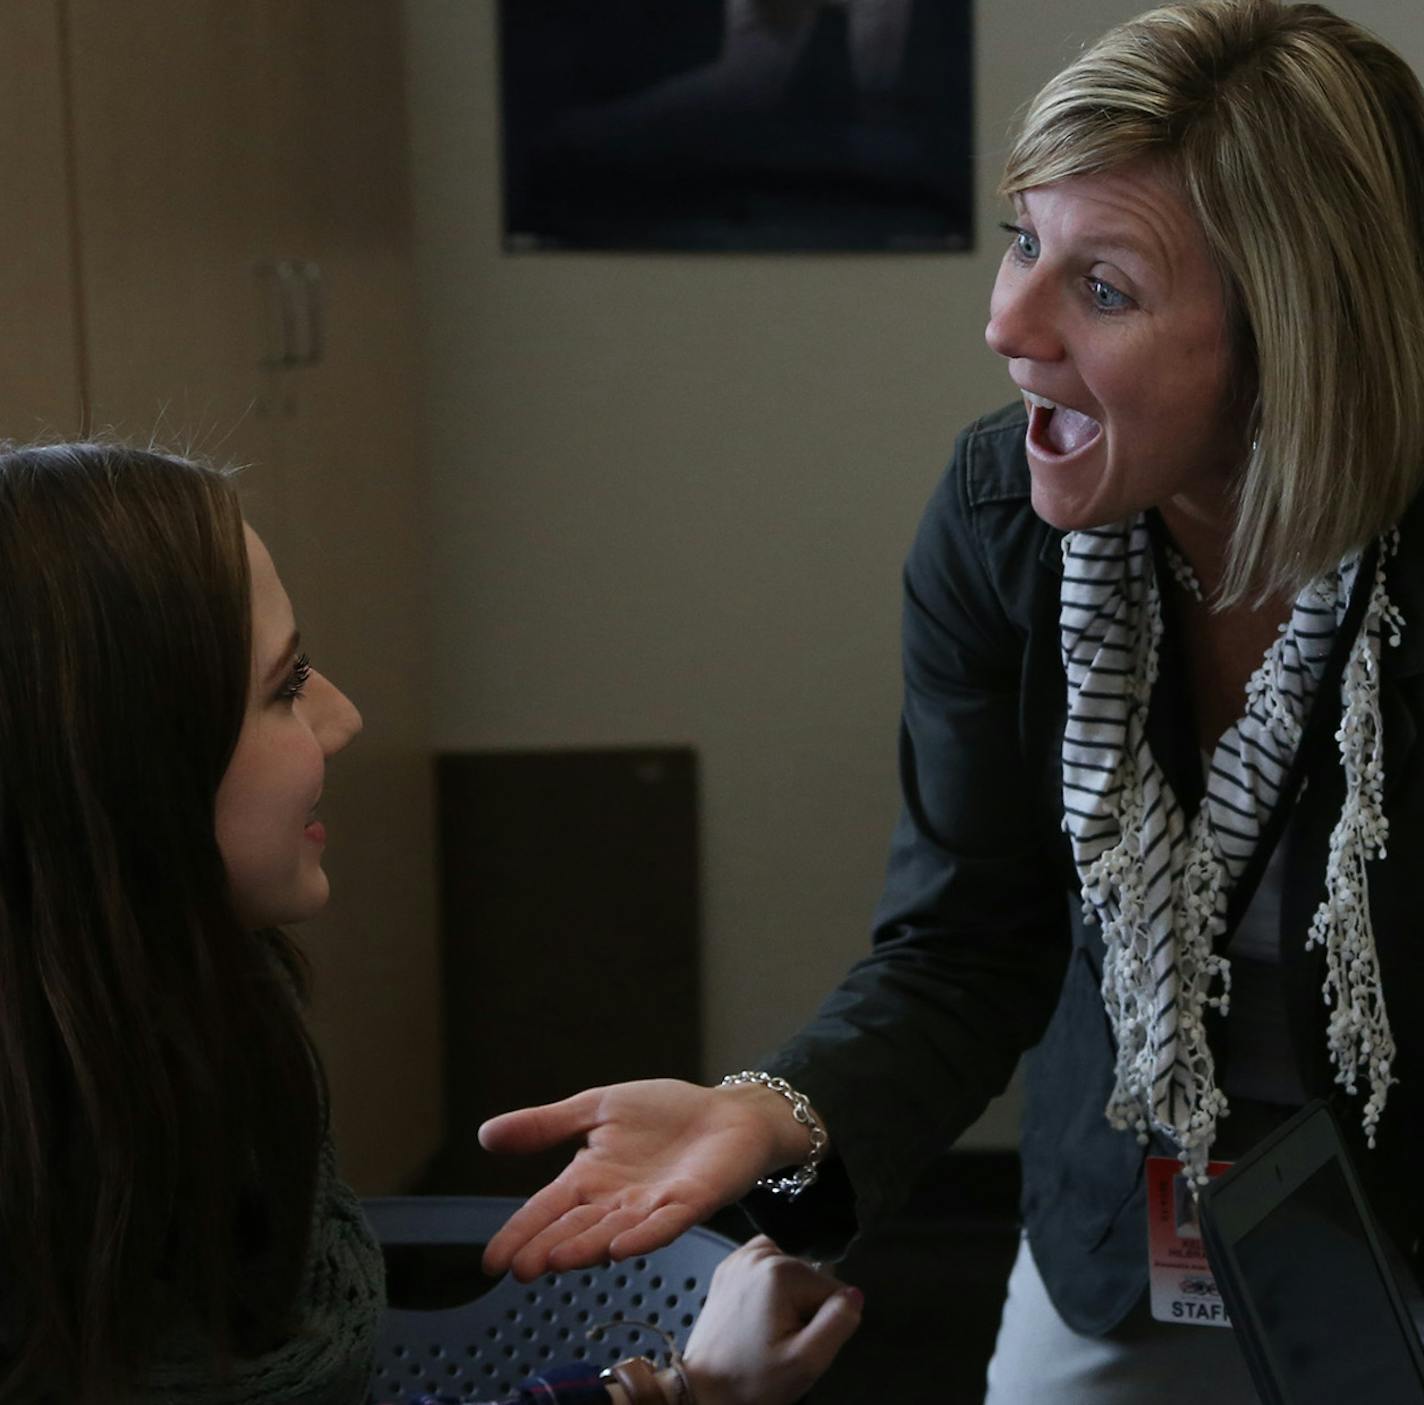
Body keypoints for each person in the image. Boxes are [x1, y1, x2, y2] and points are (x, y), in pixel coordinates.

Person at [475, 1, 1424, 1398]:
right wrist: (775, 1113)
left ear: (1297, 336)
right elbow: (967, 944)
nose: (1005, 322)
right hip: (1124, 1216)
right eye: (1025, 242)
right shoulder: (1001, 521)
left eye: (1103, 288)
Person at [0, 442, 860, 1404]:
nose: (342, 717)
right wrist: (677, 1390)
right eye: (285, 687)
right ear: (121, 762)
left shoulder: (196, 1007)